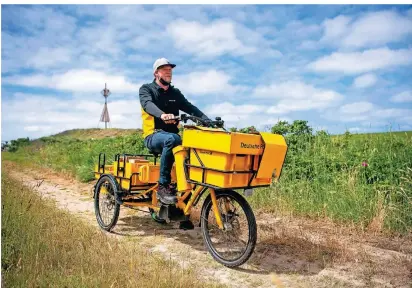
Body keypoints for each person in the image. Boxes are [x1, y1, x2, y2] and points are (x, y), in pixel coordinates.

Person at [139, 58, 211, 206]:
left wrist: (207, 120)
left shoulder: (175, 93)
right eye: (164, 69)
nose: (168, 71)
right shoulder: (146, 89)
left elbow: (189, 107)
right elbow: (147, 105)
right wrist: (161, 114)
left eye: (170, 69)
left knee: (194, 147)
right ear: (156, 73)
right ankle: (163, 186)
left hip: (173, 137)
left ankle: (185, 203)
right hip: (153, 135)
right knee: (173, 139)